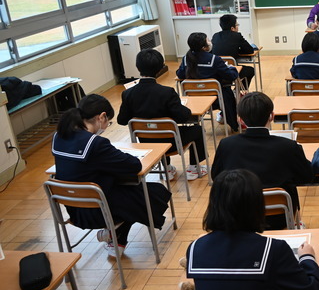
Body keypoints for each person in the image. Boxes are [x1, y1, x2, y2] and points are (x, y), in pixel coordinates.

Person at [186, 169, 319, 290]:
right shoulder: (273, 250)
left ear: (213, 204)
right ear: (257, 205)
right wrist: (307, 258)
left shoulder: (195, 248)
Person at [52, 94, 171, 256]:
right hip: (98, 212)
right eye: (108, 122)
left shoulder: (59, 136)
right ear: (101, 117)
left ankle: (117, 240)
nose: (107, 126)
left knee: (133, 193)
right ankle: (114, 234)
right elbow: (134, 165)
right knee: (153, 192)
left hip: (74, 210)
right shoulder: (95, 143)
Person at [211, 92, 314, 229]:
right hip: (280, 216)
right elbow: (307, 176)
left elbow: (216, 176)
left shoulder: (226, 144)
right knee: (289, 185)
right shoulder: (288, 146)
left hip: (238, 215)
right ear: (272, 116)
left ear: (240, 120)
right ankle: (295, 222)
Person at [118, 49, 207, 180]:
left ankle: (167, 168)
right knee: (197, 130)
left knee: (157, 129)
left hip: (145, 142)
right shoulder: (167, 92)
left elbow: (122, 120)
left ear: (138, 67)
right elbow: (183, 116)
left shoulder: (128, 93)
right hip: (171, 142)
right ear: (160, 69)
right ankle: (194, 168)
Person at [176, 32, 240, 132]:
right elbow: (231, 76)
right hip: (216, 99)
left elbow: (179, 74)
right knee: (227, 92)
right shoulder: (214, 59)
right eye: (208, 40)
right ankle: (233, 124)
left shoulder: (186, 59)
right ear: (204, 46)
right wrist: (232, 68)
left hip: (193, 98)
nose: (210, 42)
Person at [211, 13, 256, 89]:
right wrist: (238, 50)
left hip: (217, 71)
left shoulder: (215, 36)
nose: (238, 27)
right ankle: (238, 91)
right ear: (232, 28)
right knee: (251, 70)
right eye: (237, 25)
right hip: (230, 70)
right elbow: (250, 50)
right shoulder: (237, 35)